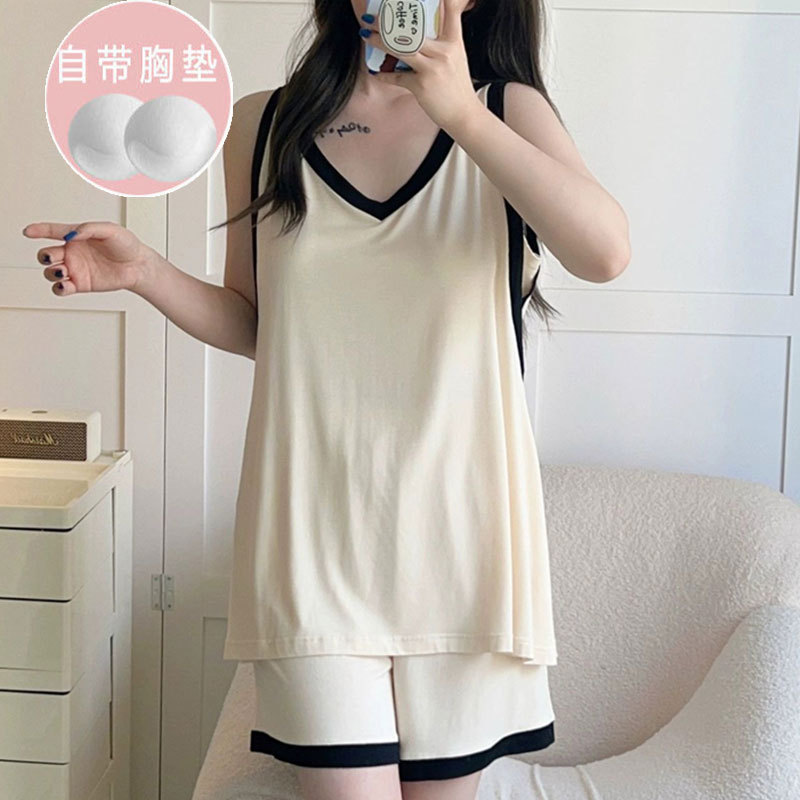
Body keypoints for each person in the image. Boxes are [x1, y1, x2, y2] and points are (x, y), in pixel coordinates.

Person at [22, 1, 630, 797]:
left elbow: (605, 253)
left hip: (465, 542)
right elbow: (258, 323)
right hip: (309, 538)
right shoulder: (263, 125)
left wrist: (461, 114)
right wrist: (145, 273)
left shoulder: (508, 110)